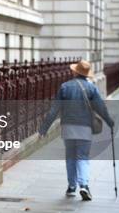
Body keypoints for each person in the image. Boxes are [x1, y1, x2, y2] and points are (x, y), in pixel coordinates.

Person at [38, 60, 114, 201]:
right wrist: (110, 122)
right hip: (85, 128)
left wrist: (44, 129)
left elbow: (54, 110)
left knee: (70, 157)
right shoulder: (91, 88)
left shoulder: (65, 87)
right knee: (82, 157)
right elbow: (100, 107)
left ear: (74, 72)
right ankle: (84, 185)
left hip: (68, 128)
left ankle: (72, 186)